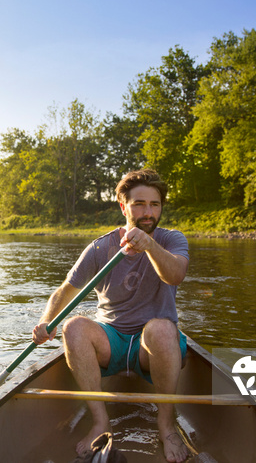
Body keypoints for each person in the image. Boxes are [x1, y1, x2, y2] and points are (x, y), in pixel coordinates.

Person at [32, 169, 190, 463]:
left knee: (162, 329)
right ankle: (100, 420)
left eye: (155, 204)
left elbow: (175, 275)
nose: (148, 211)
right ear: (123, 206)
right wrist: (46, 321)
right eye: (139, 204)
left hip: (152, 347)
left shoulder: (171, 240)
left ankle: (166, 424)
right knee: (74, 326)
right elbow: (66, 290)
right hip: (112, 342)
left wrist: (149, 245)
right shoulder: (100, 247)